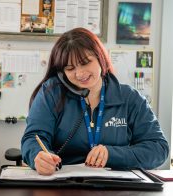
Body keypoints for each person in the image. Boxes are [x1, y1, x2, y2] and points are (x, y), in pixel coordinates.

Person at [21, 28, 169, 176]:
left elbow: (159, 148)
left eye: (85, 63)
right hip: (64, 185)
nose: (80, 74)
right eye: (70, 68)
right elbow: (32, 138)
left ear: (100, 57)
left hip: (116, 188)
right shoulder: (51, 93)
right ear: (62, 72)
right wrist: (37, 156)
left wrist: (112, 154)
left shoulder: (130, 98)